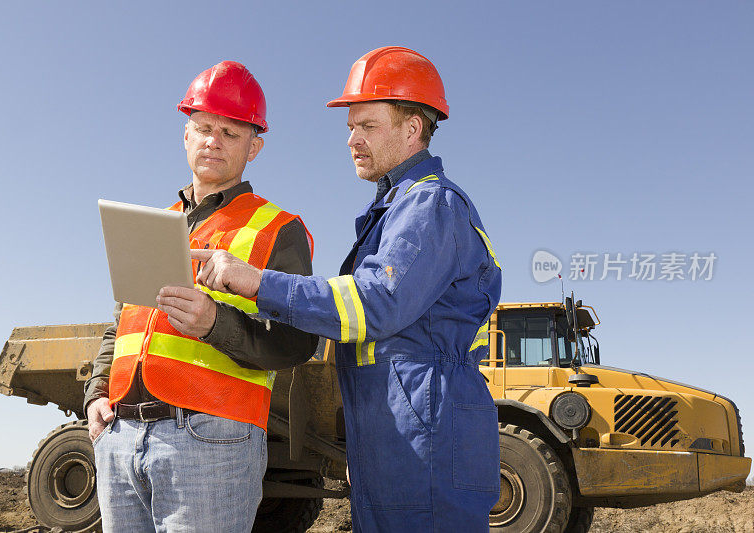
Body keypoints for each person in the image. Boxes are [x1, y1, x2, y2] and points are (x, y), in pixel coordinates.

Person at [191, 47, 502, 532]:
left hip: (428, 439)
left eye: (368, 126)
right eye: (350, 127)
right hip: (400, 436)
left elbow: (373, 304)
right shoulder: (398, 211)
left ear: (412, 128)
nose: (352, 140)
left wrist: (256, 281)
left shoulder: (430, 205)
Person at [83, 61, 317, 533]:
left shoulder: (279, 229)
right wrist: (95, 394)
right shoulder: (155, 222)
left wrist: (215, 323)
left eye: (231, 132)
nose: (213, 140)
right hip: (121, 437)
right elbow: (121, 325)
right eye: (204, 127)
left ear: (255, 147)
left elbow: (297, 344)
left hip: (211, 441)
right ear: (185, 135)